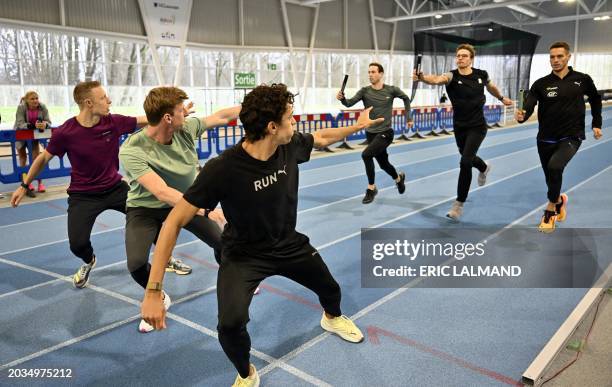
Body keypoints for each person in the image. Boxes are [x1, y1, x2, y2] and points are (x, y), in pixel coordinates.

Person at [141, 84, 384, 386]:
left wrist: (357, 127)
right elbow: (173, 221)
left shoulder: (289, 144)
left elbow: (321, 137)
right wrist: (153, 291)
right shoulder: (223, 169)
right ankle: (246, 373)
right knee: (229, 327)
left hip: (288, 244)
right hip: (243, 256)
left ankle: (331, 318)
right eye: (291, 118)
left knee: (332, 291)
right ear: (272, 127)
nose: (295, 124)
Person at [119, 86, 239, 333]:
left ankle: (234, 278)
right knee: (136, 263)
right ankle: (158, 296)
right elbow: (162, 192)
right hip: (147, 208)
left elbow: (221, 116)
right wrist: (206, 211)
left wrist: (257, 105)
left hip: (187, 200)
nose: (185, 114)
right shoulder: (132, 149)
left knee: (224, 242)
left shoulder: (185, 129)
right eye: (179, 111)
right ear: (167, 118)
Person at [10, 81, 151, 288]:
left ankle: (166, 258)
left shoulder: (112, 122)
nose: (109, 100)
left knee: (150, 216)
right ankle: (89, 260)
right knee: (77, 245)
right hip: (83, 196)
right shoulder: (66, 132)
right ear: (88, 103)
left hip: (115, 188)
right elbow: (42, 159)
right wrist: (24, 185)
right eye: (103, 97)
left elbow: (144, 120)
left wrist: (171, 115)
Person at [413, 43, 513, 220]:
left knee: (465, 162)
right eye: (458, 55)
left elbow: (491, 87)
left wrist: (501, 98)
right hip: (460, 126)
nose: (460, 58)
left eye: (464, 55)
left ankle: (458, 205)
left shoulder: (481, 75)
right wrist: (422, 78)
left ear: (471, 59)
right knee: (467, 156)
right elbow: (436, 79)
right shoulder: (451, 75)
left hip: (478, 126)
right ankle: (483, 167)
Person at [515, 41, 603, 233]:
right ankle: (559, 200)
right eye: (552, 57)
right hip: (545, 138)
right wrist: (522, 116)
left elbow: (596, 99)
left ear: (568, 57)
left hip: (572, 135)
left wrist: (597, 123)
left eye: (559, 56)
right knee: (551, 178)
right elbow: (528, 106)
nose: (555, 60)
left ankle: (550, 211)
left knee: (556, 167)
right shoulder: (540, 84)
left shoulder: (582, 79)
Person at [336, 62, 413, 204]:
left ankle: (371, 188)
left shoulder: (391, 90)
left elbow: (406, 98)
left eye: (373, 72)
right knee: (384, 164)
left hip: (386, 132)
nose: (370, 75)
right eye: (369, 72)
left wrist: (408, 117)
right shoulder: (365, 91)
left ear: (381, 74)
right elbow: (349, 103)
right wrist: (343, 99)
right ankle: (398, 178)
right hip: (370, 133)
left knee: (366, 155)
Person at [13, 90, 51, 197]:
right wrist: (33, 126)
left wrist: (45, 124)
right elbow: (20, 123)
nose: (35, 101)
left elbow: (49, 122)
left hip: (34, 136)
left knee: (36, 159)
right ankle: (26, 183)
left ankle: (40, 183)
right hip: (20, 135)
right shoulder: (21, 107)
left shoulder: (42, 107)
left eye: (36, 98)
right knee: (23, 158)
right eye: (32, 99)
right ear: (27, 100)